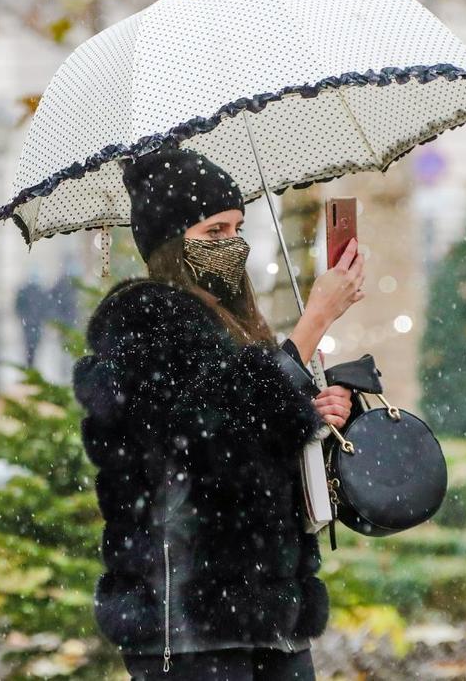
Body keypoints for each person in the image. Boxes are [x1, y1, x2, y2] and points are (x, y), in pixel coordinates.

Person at [73, 147, 363, 681]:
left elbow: (253, 438)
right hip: (185, 616)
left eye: (237, 227)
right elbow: (209, 434)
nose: (231, 243)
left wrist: (313, 411)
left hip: (268, 612)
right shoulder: (142, 319)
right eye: (212, 232)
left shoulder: (233, 323)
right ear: (169, 243)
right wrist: (313, 322)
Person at [14, 271, 50, 367]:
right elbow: (19, 306)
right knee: (31, 345)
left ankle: (31, 363)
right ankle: (30, 363)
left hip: (32, 323)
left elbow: (45, 307)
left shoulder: (31, 291)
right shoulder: (37, 291)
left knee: (31, 345)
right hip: (31, 323)